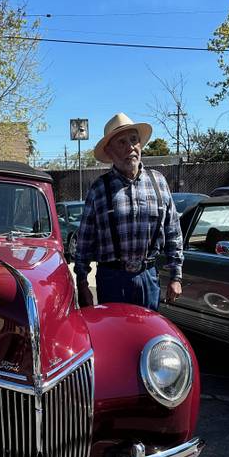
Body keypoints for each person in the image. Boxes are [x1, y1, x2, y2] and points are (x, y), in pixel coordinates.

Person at [73, 112, 183, 310]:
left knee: (149, 337)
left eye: (134, 140)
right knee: (114, 337)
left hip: (148, 277)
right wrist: (82, 283)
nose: (130, 147)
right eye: (121, 142)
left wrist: (176, 275)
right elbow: (84, 242)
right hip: (112, 280)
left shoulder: (159, 182)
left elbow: (173, 231)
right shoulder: (99, 189)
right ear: (110, 152)